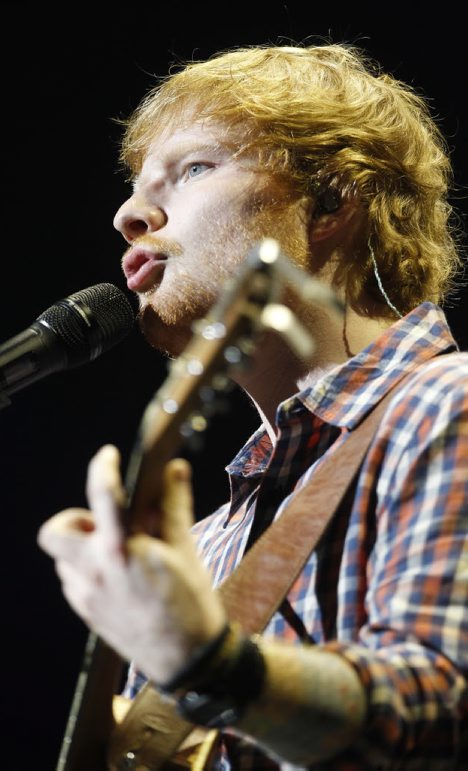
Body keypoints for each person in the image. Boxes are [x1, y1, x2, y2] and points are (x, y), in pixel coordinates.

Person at [37, 42, 468, 769]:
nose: (128, 214)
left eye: (194, 168)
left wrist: (215, 668)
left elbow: (442, 709)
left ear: (332, 198)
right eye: (137, 185)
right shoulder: (204, 547)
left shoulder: (447, 405)